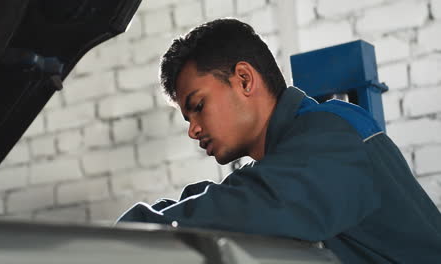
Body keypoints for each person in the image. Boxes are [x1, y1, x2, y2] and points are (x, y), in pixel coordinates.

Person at [117, 18, 441, 263]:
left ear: (244, 79)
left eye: (198, 106)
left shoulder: (333, 132)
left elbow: (242, 207)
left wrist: (119, 236)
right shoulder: (286, 159)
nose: (193, 129)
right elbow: (231, 195)